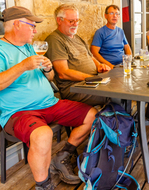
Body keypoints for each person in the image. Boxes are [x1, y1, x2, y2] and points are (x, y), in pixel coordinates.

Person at [0, 6, 97, 189]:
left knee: (92, 115)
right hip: (20, 112)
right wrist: (23, 66)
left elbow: (51, 78)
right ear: (17, 24)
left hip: (49, 104)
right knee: (43, 134)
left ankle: (62, 157)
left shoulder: (29, 47)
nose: (36, 30)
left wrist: (48, 69)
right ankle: (44, 185)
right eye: (32, 25)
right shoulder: (1, 49)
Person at [45, 4, 111, 106]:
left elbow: (90, 56)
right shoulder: (55, 39)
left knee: (123, 86)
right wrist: (91, 78)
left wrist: (99, 65)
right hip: (76, 87)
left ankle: (135, 117)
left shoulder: (77, 38)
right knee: (114, 94)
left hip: (92, 81)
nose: (76, 24)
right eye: (71, 21)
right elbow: (63, 73)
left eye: (77, 20)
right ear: (59, 20)